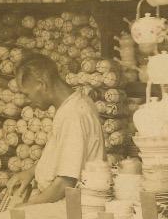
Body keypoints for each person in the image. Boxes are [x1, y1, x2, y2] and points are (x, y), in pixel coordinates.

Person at [12, 53, 105, 206]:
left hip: (69, 208)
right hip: (61, 202)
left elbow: (65, 183)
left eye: (27, 94)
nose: (27, 101)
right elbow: (66, 158)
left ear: (42, 84)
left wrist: (26, 207)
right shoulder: (72, 105)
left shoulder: (73, 115)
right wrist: (31, 172)